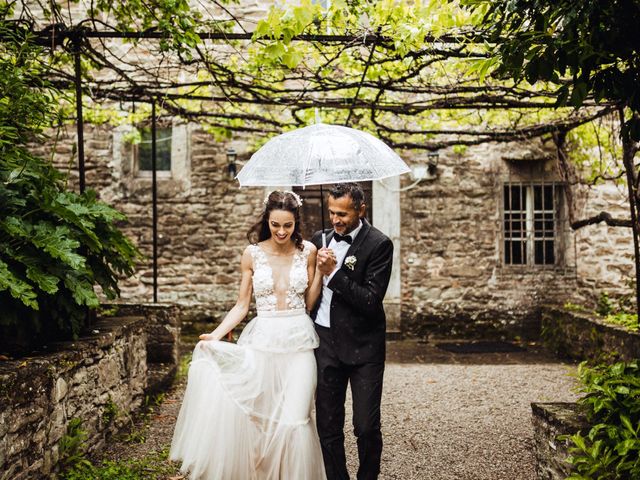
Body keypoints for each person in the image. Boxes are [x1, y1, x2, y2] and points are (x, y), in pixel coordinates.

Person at [170, 190, 326, 480]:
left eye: (288, 225)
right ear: (266, 220)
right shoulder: (251, 253)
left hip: (299, 343)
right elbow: (242, 305)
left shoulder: (310, 252)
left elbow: (308, 303)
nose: (281, 231)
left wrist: (321, 274)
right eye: (275, 224)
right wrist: (216, 335)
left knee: (296, 418)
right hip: (263, 340)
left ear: (296, 223)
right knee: (260, 418)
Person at [311, 183, 394, 480]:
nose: (336, 219)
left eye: (343, 214)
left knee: (366, 425)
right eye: (332, 212)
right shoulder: (319, 239)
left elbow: (371, 301)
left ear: (361, 209)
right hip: (325, 343)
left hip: (364, 348)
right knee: (328, 424)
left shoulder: (379, 244)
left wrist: (333, 273)